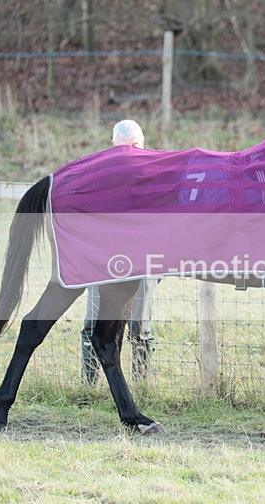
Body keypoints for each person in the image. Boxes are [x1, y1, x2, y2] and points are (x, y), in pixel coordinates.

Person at [80, 119, 159, 384]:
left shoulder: (155, 177)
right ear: (112, 147)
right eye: (122, 149)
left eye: (134, 147)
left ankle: (140, 387)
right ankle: (89, 387)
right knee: (93, 325)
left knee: (138, 327)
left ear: (143, 145)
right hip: (103, 261)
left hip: (143, 262)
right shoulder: (97, 176)